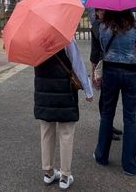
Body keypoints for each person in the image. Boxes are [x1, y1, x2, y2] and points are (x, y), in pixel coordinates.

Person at [35, 42, 94, 190]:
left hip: (44, 91)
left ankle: (48, 172)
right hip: (64, 90)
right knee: (66, 132)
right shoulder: (65, 36)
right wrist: (87, 90)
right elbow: (77, 63)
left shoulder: (35, 39)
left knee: (46, 131)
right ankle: (65, 176)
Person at [93, 10, 136, 177]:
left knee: (107, 114)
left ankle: (102, 155)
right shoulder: (133, 28)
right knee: (130, 118)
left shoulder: (103, 28)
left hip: (111, 70)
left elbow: (103, 48)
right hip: (131, 71)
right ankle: (129, 165)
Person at [89, 8, 123, 141]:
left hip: (108, 64)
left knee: (110, 97)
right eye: (100, 11)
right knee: (105, 99)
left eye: (104, 10)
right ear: (96, 13)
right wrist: (93, 72)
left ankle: (109, 124)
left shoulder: (108, 24)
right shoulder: (98, 26)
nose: (102, 12)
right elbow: (96, 49)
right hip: (101, 64)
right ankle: (106, 127)